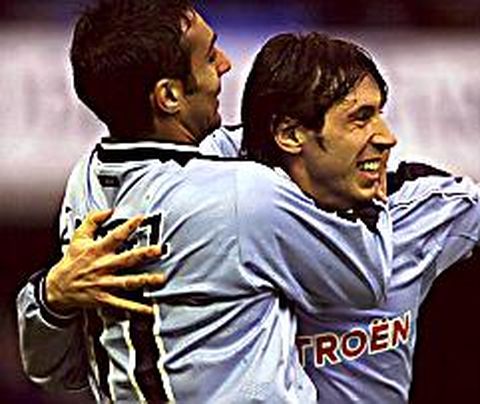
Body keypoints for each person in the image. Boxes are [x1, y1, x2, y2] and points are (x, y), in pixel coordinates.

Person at [16, 1, 394, 403]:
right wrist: (366, 188)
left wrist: (49, 298)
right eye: (210, 56)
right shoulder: (242, 195)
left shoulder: (86, 181)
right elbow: (365, 277)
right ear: (169, 95)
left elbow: (52, 369)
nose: (225, 64)